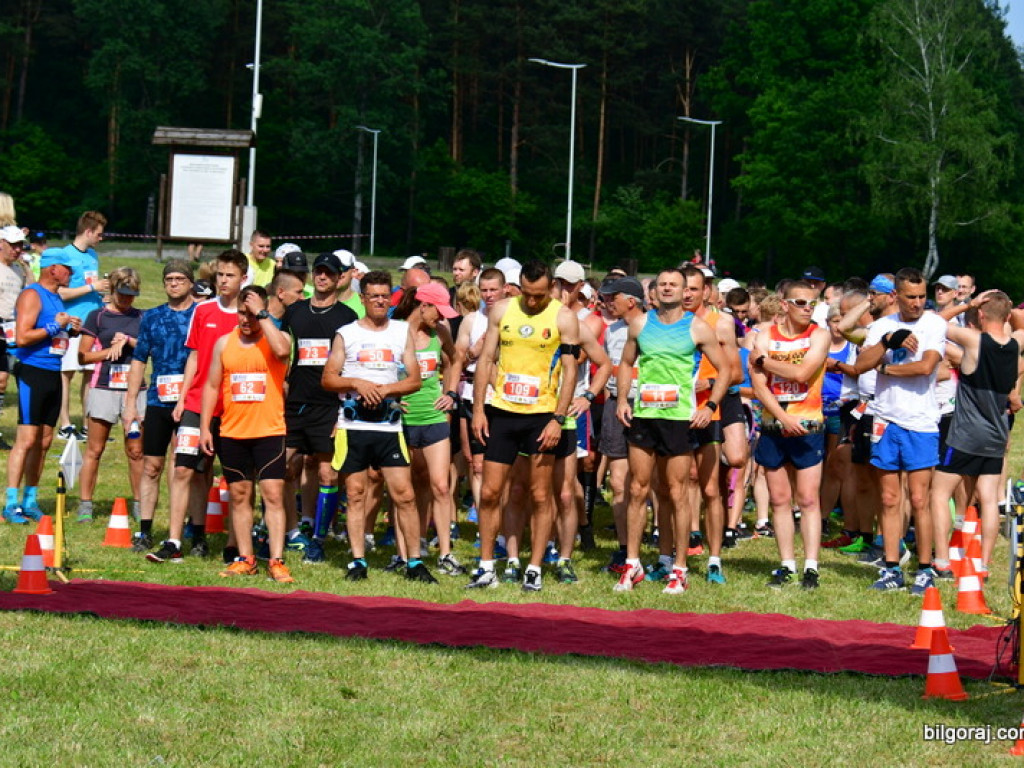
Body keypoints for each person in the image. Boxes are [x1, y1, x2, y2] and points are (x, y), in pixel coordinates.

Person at [612, 268, 730, 594]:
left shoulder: (697, 327)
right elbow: (625, 363)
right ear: (654, 291)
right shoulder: (640, 324)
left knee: (678, 492)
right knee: (638, 489)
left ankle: (679, 568)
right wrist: (623, 398)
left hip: (679, 418)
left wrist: (709, 407)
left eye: (673, 285)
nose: (667, 289)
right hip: (644, 414)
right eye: (662, 284)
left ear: (685, 291)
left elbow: (725, 370)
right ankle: (632, 564)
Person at [466, 260, 580, 592]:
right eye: (528, 295)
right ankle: (487, 567)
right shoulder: (501, 310)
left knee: (541, 494)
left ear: (550, 289)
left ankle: (534, 568)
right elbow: (487, 358)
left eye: (539, 295)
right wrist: (477, 409)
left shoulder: (563, 316)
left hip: (542, 416)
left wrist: (559, 419)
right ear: (518, 288)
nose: (532, 302)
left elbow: (570, 372)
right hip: (503, 412)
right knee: (489, 492)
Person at [321, 270, 436, 584]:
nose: (380, 301)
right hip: (353, 424)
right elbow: (328, 378)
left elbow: (414, 379)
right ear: (363, 298)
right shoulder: (346, 332)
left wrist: (385, 391)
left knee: (405, 494)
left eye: (385, 295)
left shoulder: (401, 332)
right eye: (374, 296)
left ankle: (413, 562)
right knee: (356, 493)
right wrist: (357, 382)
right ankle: (358, 561)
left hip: (389, 425)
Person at [148, 250, 246, 564]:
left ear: (243, 279)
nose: (223, 281)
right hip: (196, 403)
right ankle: (174, 540)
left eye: (230, 276)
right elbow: (193, 356)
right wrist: (181, 399)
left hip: (234, 406)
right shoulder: (203, 311)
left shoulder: (247, 314)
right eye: (220, 275)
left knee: (233, 477)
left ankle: (229, 544)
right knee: (182, 469)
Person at [852, 268, 946, 592]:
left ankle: (925, 568)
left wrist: (885, 367)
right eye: (911, 297)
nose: (917, 303)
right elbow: (860, 365)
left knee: (919, 499)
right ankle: (891, 568)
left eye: (922, 297)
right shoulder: (882, 326)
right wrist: (886, 342)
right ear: (896, 296)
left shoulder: (934, 323)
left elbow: (925, 366)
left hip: (921, 422)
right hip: (885, 419)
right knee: (889, 498)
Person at [930, 291, 1024, 590]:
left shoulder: (973, 341)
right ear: (1008, 316)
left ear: (981, 315)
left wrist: (967, 304)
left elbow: (933, 322)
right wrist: (1006, 308)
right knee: (988, 498)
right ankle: (982, 564)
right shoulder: (1017, 343)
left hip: (965, 435)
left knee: (938, 493)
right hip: (997, 434)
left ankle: (942, 561)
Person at [201, 285, 294, 583]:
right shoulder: (223, 344)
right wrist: (205, 427)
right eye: (241, 312)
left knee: (273, 495)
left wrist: (262, 315)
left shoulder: (276, 338)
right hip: (232, 431)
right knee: (240, 495)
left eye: (251, 313)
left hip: (269, 430)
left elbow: (283, 351)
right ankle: (245, 558)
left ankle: (277, 560)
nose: (245, 319)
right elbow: (212, 386)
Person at [749, 280, 830, 590]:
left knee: (808, 499)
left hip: (808, 425)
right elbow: (759, 386)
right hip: (774, 426)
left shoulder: (819, 335)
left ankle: (811, 567)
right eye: (800, 302)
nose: (807, 308)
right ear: (784, 305)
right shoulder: (766, 335)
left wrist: (762, 360)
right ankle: (787, 565)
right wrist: (782, 416)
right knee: (780, 500)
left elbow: (801, 374)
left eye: (812, 303)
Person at [279, 251, 358, 563]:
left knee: (327, 474)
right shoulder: (295, 311)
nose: (323, 277)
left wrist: (345, 408)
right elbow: (283, 354)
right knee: (280, 468)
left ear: (340, 278)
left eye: (329, 273)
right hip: (295, 402)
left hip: (329, 405)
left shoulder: (348, 317)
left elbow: (351, 364)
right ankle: (286, 529)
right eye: (319, 272)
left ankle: (318, 538)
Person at [390, 283, 466, 576]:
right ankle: (403, 553)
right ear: (423, 305)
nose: (442, 317)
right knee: (404, 489)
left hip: (433, 417)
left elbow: (455, 360)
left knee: (441, 485)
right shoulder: (395, 332)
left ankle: (446, 553)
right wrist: (392, 400)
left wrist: (451, 393)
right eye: (438, 311)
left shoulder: (440, 332)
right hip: (402, 420)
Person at [123, 261, 196, 551]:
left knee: (186, 468)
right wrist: (131, 404)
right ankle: (145, 531)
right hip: (157, 401)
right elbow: (139, 360)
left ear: (190, 282)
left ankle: (193, 531)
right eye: (169, 279)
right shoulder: (151, 317)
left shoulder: (199, 315)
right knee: (151, 466)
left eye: (180, 279)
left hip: (190, 402)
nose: (174, 283)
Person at [4, 249, 80, 522]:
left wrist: (68, 329)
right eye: (68, 269)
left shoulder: (56, 297)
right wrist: (52, 326)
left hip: (52, 372)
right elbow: (23, 337)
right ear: (53, 269)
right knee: (26, 440)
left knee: (45, 441)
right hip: (32, 373)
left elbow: (52, 331)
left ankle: (30, 499)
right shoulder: (32, 294)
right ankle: (11, 503)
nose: (71, 274)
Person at [74, 268, 145, 523]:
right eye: (123, 294)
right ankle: (85, 504)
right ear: (113, 290)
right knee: (95, 448)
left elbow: (152, 350)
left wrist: (128, 341)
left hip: (135, 392)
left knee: (136, 450)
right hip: (103, 388)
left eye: (132, 295)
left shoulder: (142, 317)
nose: (127, 300)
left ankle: (139, 504)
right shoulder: (97, 317)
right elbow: (83, 356)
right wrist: (108, 351)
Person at [57, 211, 110, 441]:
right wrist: (92, 288)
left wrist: (103, 299)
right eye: (98, 234)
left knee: (91, 375)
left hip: (92, 324)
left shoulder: (92, 256)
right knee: (66, 374)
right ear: (88, 232)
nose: (101, 238)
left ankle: (89, 425)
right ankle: (65, 424)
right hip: (71, 324)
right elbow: (61, 292)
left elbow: (92, 286)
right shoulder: (65, 256)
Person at [0, 226, 30, 427]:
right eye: (13, 245)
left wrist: (26, 266)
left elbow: (31, 291)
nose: (17, 249)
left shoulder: (19, 270)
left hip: (11, 329)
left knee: (3, 379)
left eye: (20, 245)